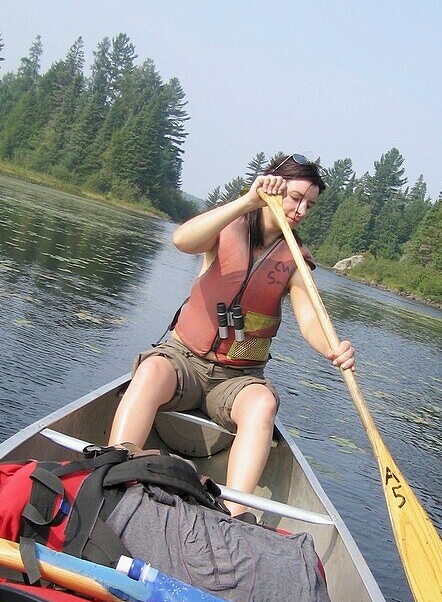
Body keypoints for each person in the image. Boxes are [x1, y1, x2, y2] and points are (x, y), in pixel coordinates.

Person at [107, 153, 355, 516]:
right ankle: (113, 472)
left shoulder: (296, 259)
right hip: (184, 362)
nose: (301, 209)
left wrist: (334, 350)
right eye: (294, 197)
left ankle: (233, 515)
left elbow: (310, 321)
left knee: (263, 404)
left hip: (237, 378)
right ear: (274, 187)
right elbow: (181, 240)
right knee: (150, 371)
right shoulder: (229, 224)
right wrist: (248, 200)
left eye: (309, 204)